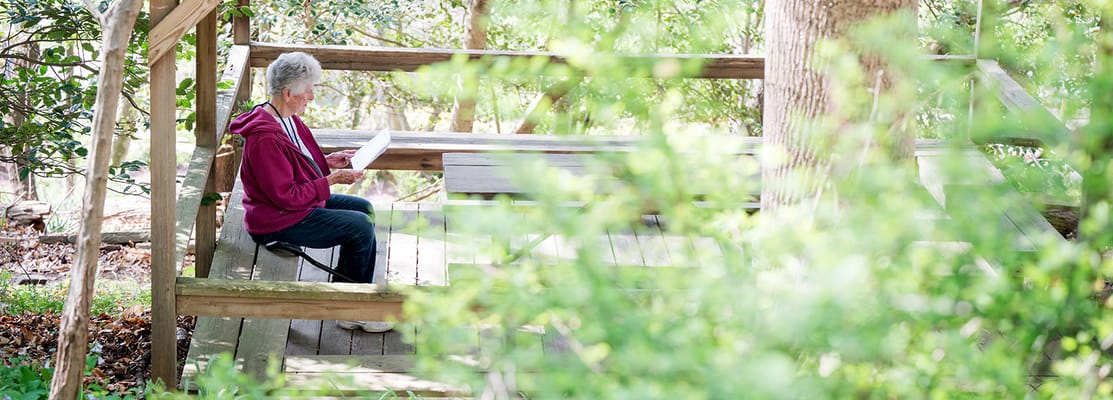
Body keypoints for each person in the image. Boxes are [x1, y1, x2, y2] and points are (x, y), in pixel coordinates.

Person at [229, 52, 392, 333]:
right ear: (288, 92)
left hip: (293, 205)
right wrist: (331, 180)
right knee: (360, 227)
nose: (312, 97)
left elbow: (295, 163)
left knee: (364, 208)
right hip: (275, 219)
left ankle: (348, 294)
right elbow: (286, 195)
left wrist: (328, 161)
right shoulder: (265, 137)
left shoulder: (286, 118)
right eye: (309, 90)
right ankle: (352, 309)